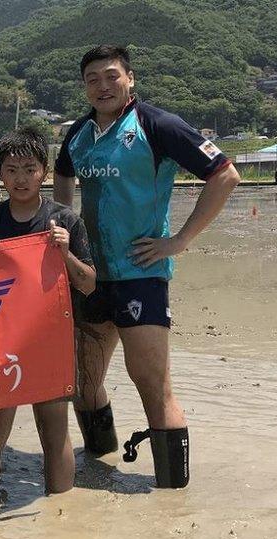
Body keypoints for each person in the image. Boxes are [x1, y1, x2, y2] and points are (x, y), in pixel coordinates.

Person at [54, 45, 240, 488]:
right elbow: (61, 175)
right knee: (83, 381)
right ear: (84, 86)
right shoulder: (78, 134)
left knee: (151, 384)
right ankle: (97, 470)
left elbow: (225, 174)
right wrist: (63, 225)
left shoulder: (158, 124)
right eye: (93, 79)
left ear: (130, 79)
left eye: (111, 76)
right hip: (90, 275)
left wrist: (179, 241)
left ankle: (172, 495)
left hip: (141, 273)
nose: (102, 85)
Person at [0, 128, 95, 502]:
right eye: (11, 170)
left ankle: (60, 521)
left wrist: (65, 253)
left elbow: (88, 284)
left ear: (45, 171)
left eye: (29, 168)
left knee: (53, 431)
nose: (21, 178)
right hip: (1, 341)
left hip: (50, 339)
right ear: (0, 175)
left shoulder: (65, 220)